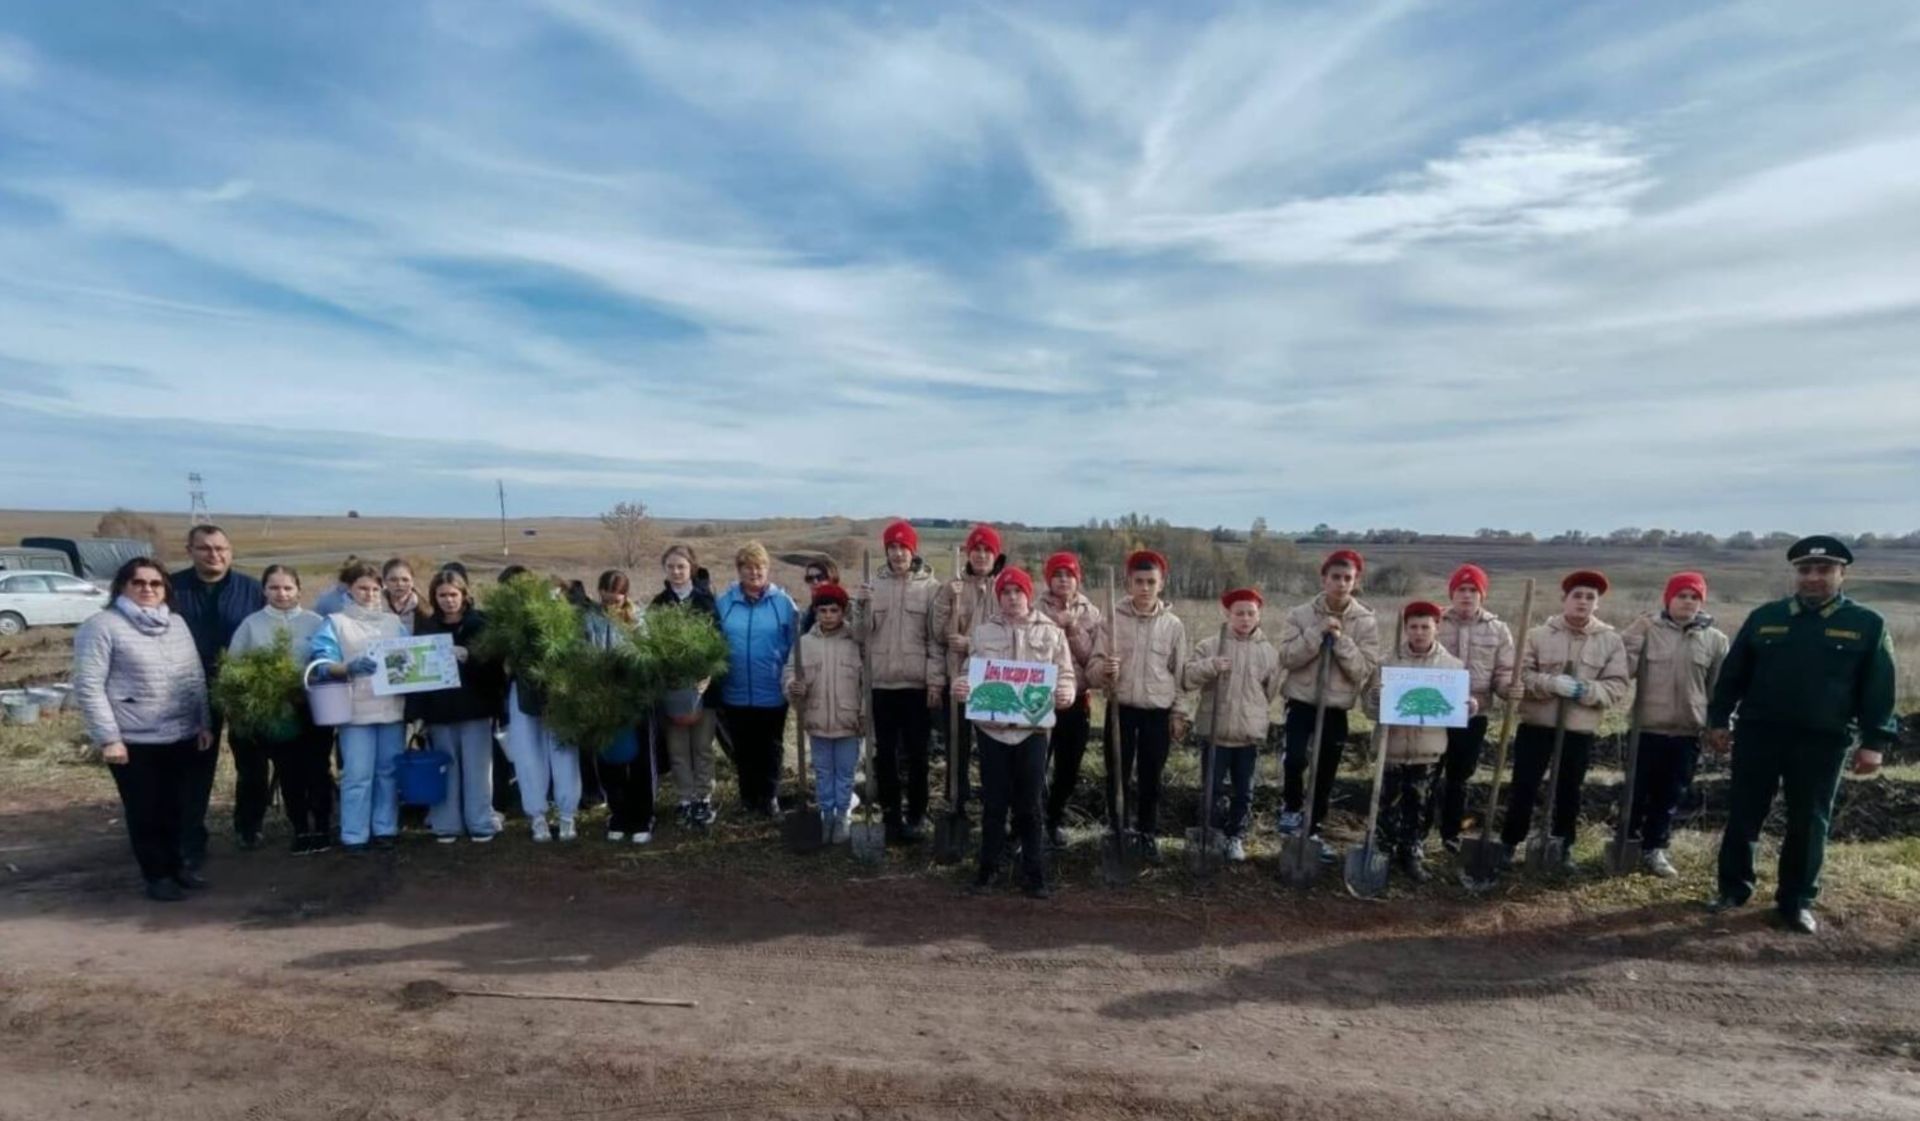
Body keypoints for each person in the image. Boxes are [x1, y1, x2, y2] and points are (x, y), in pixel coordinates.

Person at [1707, 537, 1898, 934]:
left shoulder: (1866, 624)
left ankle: (1796, 902)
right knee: (1744, 812)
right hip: (1760, 733)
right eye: (1805, 570)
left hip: (1822, 740)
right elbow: (1733, 676)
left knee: (1809, 821)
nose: (1813, 577)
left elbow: (1879, 689)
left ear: (1842, 574)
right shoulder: (1766, 617)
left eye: (1824, 570)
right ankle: (1732, 889)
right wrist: (1719, 720)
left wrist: (1874, 742)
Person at [72, 558, 213, 901]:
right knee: (145, 809)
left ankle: (177, 867)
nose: (148, 589)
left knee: (178, 806)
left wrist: (203, 722)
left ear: (165, 589)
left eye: (155, 583)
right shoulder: (102, 626)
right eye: (138, 583)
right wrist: (110, 739)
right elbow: (89, 686)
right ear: (122, 586)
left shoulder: (176, 623)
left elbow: (194, 675)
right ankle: (157, 875)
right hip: (135, 738)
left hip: (181, 734)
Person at [951, 567, 1075, 898]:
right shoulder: (982, 633)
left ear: (1028, 595)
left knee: (1030, 805)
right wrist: (961, 685)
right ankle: (987, 870)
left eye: (1017, 592)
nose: (1011, 598)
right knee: (994, 803)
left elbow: (1065, 673)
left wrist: (1066, 692)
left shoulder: (1051, 632)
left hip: (1032, 731)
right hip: (992, 732)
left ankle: (1034, 874)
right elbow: (969, 671)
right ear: (999, 597)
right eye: (1005, 592)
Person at [1499, 570, 1631, 873]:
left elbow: (1617, 685)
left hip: (1578, 730)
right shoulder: (1538, 635)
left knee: (1570, 790)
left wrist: (1586, 690)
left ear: (1597, 603)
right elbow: (1520, 674)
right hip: (1537, 726)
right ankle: (1509, 843)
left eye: (1590, 597)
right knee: (1524, 787)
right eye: (1577, 596)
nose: (1583, 602)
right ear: (1565, 599)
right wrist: (1550, 684)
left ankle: (1563, 846)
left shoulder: (1610, 641)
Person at [1618, 572, 1730, 878]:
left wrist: (1717, 726)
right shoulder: (1648, 629)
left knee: (1670, 795)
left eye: (1695, 597)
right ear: (1668, 599)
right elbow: (1622, 669)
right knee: (1635, 793)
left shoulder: (1715, 640)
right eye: (1682, 596)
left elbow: (1718, 690)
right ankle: (1625, 844)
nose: (1688, 602)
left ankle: (1654, 848)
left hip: (1686, 732)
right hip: (1646, 729)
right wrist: (1633, 636)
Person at [1275, 549, 1381, 862]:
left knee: (1325, 772)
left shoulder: (1365, 621)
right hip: (1301, 701)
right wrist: (1316, 633)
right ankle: (1291, 808)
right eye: (1335, 577)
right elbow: (1287, 657)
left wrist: (1341, 640)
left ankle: (1313, 830)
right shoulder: (1300, 614)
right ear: (1324, 579)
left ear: (1356, 582)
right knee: (1295, 759)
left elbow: (1362, 670)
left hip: (1336, 706)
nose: (1341, 583)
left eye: (1348, 578)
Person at [169, 523, 263, 867]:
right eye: (205, 548)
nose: (214, 555)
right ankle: (190, 839)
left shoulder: (251, 590)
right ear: (190, 551)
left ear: (230, 552)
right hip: (190, 689)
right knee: (195, 766)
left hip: (242, 689)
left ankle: (248, 826)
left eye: (221, 549)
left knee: (252, 763)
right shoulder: (172, 588)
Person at [1087, 550, 1189, 863]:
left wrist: (1179, 713)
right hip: (1122, 710)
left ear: (1161, 584)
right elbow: (1093, 666)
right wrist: (1104, 670)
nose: (1145, 588)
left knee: (1151, 777)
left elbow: (1180, 674)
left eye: (1151, 582)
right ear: (1128, 583)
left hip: (1156, 712)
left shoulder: (1173, 626)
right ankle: (1117, 829)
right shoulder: (1112, 620)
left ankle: (1147, 834)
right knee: (1116, 774)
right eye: (1139, 581)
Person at [1364, 601, 1473, 883]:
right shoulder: (1387, 663)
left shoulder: (1452, 667)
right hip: (1392, 748)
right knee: (1387, 802)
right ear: (1406, 628)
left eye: (1425, 626)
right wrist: (1375, 700)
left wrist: (1468, 707)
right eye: (1414, 626)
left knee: (1420, 803)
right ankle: (1383, 849)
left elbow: (1453, 711)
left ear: (1437, 627)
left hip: (1428, 750)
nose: (1419, 632)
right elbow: (1369, 709)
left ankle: (1411, 851)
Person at [227, 565, 330, 854]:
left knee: (319, 769)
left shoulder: (315, 622)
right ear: (264, 590)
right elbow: (233, 667)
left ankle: (323, 826)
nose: (281, 593)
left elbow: (328, 660)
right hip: (276, 712)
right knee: (289, 772)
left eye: (287, 587)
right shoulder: (251, 625)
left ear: (298, 589)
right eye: (274, 587)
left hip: (315, 708)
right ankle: (300, 829)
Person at [853, 520, 943, 846]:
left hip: (916, 686)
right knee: (885, 754)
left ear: (913, 550)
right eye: (892, 547)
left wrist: (935, 682)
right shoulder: (873, 586)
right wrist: (861, 606)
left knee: (918, 754)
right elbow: (860, 635)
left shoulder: (931, 588)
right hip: (882, 685)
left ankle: (917, 814)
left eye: (903, 547)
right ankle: (891, 815)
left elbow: (936, 640)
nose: (898, 553)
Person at [310, 561, 409, 852]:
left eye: (375, 589)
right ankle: (354, 833)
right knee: (357, 774)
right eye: (363, 588)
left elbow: (409, 658)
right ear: (349, 589)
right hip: (354, 711)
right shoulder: (335, 623)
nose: (370, 594)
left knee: (387, 772)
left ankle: (385, 828)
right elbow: (321, 662)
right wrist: (346, 668)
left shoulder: (393, 623)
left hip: (391, 709)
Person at [1181, 587, 1281, 863]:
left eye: (1250, 613)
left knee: (1244, 791)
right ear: (1227, 614)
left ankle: (1235, 836)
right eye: (1239, 613)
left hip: (1247, 736)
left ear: (1259, 615)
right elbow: (1188, 678)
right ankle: (1210, 834)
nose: (1245, 618)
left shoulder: (1268, 652)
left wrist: (1254, 715)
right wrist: (1211, 666)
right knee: (1211, 789)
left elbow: (1270, 691)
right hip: (1216, 733)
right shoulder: (1210, 646)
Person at [410, 569, 503, 844]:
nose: (448, 600)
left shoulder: (481, 624)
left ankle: (480, 822)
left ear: (464, 595)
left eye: (453, 594)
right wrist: (417, 713)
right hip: (440, 712)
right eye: (442, 595)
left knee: (478, 770)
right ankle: (446, 824)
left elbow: (495, 669)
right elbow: (417, 674)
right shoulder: (427, 628)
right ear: (434, 597)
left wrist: (470, 658)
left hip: (475, 710)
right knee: (445, 770)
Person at [1430, 564, 1517, 853]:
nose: (1466, 595)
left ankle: (1451, 834)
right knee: (1427, 772)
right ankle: (1418, 831)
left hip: (1473, 714)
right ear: (1452, 593)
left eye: (1472, 590)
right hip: (1435, 712)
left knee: (1459, 777)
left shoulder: (1498, 630)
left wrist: (1507, 688)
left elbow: (1504, 670)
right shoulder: (1435, 621)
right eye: (1461, 589)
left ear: (1482, 595)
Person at [930, 523, 1006, 833]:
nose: (981, 555)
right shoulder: (953, 587)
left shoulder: (1006, 588)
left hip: (992, 680)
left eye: (987, 550)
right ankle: (957, 803)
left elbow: (1010, 634)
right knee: (956, 747)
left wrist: (971, 643)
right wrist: (947, 599)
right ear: (968, 553)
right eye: (976, 549)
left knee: (992, 749)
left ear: (996, 555)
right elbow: (938, 634)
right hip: (958, 678)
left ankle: (993, 806)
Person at [715, 541, 799, 816]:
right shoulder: (724, 603)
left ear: (767, 569)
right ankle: (748, 798)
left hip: (771, 690)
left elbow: (796, 645)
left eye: (760, 566)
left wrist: (791, 679)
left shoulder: (783, 604)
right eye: (748, 567)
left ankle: (769, 797)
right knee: (742, 748)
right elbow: (714, 642)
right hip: (735, 690)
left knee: (771, 747)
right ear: (739, 570)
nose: (754, 572)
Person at [501, 572, 583, 843]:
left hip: (559, 691)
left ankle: (567, 815)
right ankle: (537, 816)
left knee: (564, 751)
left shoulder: (570, 615)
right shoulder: (512, 618)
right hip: (525, 692)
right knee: (528, 754)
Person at [784, 582, 866, 842]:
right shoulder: (804, 643)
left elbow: (866, 683)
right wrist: (792, 686)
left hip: (848, 722)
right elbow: (790, 672)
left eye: (834, 610)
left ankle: (842, 816)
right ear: (815, 612)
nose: (828, 616)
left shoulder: (856, 642)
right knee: (823, 772)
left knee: (845, 773)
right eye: (823, 611)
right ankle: (826, 814)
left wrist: (864, 713)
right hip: (817, 721)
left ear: (843, 612)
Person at [1036, 551, 1104, 849]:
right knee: (1035, 765)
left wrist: (1073, 628)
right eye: (1057, 575)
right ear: (1048, 579)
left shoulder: (1092, 614)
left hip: (1076, 700)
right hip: (1040, 699)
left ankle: (1054, 818)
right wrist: (1054, 625)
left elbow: (1093, 660)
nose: (1063, 580)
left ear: (1078, 579)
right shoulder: (1035, 610)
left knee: (1068, 767)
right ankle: (1032, 820)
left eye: (1069, 575)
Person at [651, 545, 721, 830]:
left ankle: (703, 798)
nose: (676, 572)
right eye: (671, 567)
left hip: (704, 689)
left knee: (702, 746)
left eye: (681, 566)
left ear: (691, 568)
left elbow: (719, 644)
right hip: (672, 690)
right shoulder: (659, 604)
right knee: (678, 749)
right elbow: (652, 647)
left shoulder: (706, 602)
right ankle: (685, 798)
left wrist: (709, 674)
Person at [591, 569, 655, 844]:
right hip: (602, 699)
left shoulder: (637, 619)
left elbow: (647, 656)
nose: (610, 603)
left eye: (616, 597)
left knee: (639, 761)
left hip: (634, 700)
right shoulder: (590, 619)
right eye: (606, 597)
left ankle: (643, 817)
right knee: (609, 760)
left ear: (625, 595)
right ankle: (618, 815)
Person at [798, 556, 841, 637]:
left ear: (832, 578)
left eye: (820, 577)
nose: (815, 582)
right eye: (810, 578)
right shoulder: (807, 614)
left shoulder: (847, 609)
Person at [381, 558, 420, 634]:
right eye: (393, 580)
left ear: (412, 581)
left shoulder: (424, 611)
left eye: (405, 580)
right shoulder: (373, 608)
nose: (399, 584)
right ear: (384, 582)